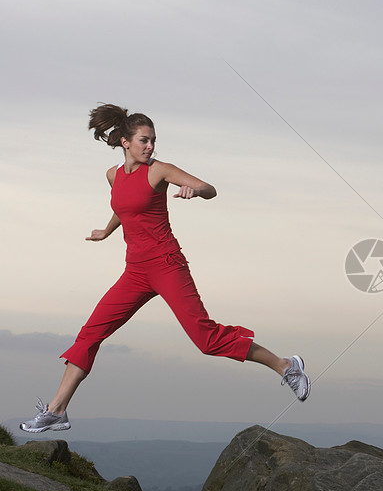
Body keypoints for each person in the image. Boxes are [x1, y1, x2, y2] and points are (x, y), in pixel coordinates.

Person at [20, 104, 310, 433]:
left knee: (206, 340)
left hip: (166, 264)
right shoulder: (113, 175)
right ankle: (57, 411)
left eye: (154, 141)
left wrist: (195, 191)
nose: (150, 146)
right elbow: (126, 206)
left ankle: (286, 366)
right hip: (135, 271)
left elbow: (209, 188)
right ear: (126, 142)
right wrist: (107, 230)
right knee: (90, 334)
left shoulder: (160, 170)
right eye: (144, 140)